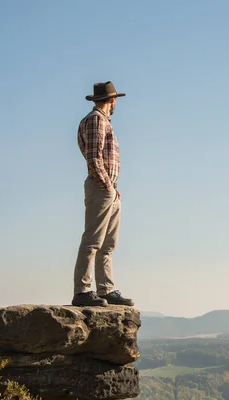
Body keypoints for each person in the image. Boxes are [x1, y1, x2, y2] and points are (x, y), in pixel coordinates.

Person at [71, 81, 134, 307]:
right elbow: (94, 158)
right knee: (93, 241)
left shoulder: (102, 121)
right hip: (102, 186)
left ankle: (105, 289)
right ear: (112, 100)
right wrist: (108, 186)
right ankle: (82, 291)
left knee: (108, 243)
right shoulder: (96, 120)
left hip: (109, 188)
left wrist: (113, 189)